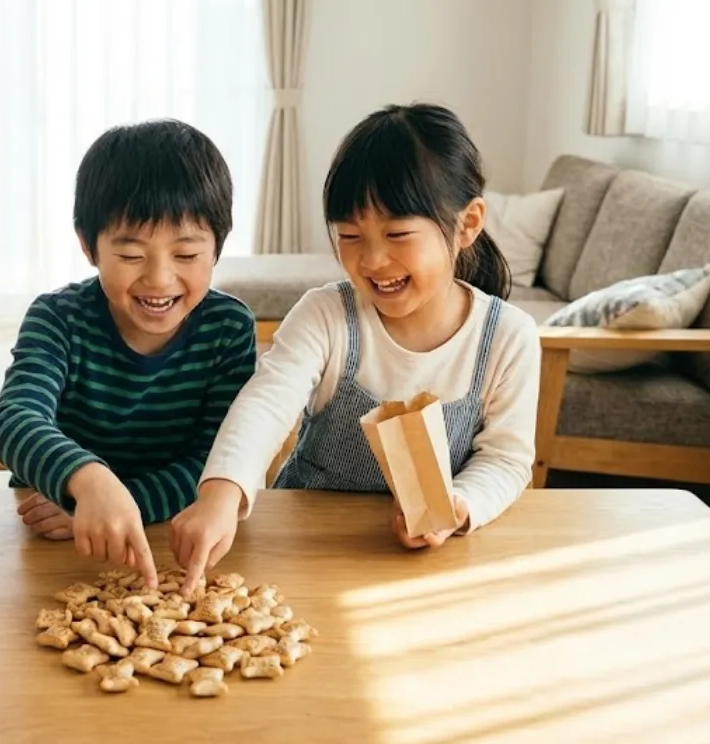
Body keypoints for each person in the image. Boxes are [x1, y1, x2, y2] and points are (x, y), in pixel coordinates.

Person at [170, 103, 541, 592]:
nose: (372, 260)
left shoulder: (508, 337)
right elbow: (266, 403)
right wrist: (221, 493)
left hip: (430, 567)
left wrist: (460, 505)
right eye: (350, 236)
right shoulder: (326, 315)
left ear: (467, 224)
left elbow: (507, 459)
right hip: (305, 548)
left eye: (397, 234)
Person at [0, 119, 259, 588]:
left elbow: (217, 460)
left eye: (186, 255)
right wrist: (85, 484)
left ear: (218, 246)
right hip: (53, 543)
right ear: (87, 245)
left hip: (172, 538)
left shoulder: (228, 328)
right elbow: (15, 420)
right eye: (132, 256)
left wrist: (119, 502)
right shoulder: (57, 318)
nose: (159, 279)